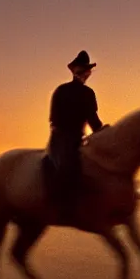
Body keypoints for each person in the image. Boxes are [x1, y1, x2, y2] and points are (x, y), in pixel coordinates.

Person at [46, 50, 107, 223]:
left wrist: (104, 133)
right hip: (62, 137)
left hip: (78, 137)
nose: (85, 73)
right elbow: (55, 120)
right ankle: (61, 204)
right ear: (76, 71)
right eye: (83, 70)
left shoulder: (88, 93)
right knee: (68, 164)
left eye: (87, 70)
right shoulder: (62, 91)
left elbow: (94, 121)